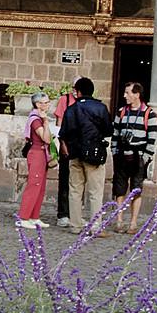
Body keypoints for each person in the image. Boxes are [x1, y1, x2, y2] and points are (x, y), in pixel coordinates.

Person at [57, 76, 112, 235]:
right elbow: (108, 130)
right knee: (95, 192)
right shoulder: (100, 108)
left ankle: (75, 225)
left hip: (75, 153)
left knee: (75, 190)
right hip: (94, 154)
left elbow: (64, 132)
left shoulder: (72, 109)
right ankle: (95, 226)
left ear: (79, 91)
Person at [111, 80, 157, 234]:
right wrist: (114, 152)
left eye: (128, 93)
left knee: (136, 190)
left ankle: (133, 222)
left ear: (137, 94)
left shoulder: (149, 114)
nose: (125, 96)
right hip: (121, 156)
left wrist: (146, 158)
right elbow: (115, 134)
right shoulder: (121, 112)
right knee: (119, 189)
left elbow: (152, 139)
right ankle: (119, 220)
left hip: (138, 156)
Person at [16, 91, 54, 228]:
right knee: (34, 185)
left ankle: (34, 216)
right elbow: (46, 138)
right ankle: (24, 217)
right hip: (37, 153)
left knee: (41, 186)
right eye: (46, 102)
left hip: (42, 153)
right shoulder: (35, 119)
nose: (48, 104)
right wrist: (45, 121)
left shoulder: (39, 118)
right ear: (38, 104)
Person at [53, 81, 78, 224]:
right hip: (66, 144)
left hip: (79, 146)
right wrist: (61, 143)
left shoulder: (83, 102)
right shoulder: (65, 100)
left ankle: (75, 213)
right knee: (64, 180)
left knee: (78, 181)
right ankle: (63, 213)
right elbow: (59, 122)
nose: (75, 90)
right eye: (73, 87)